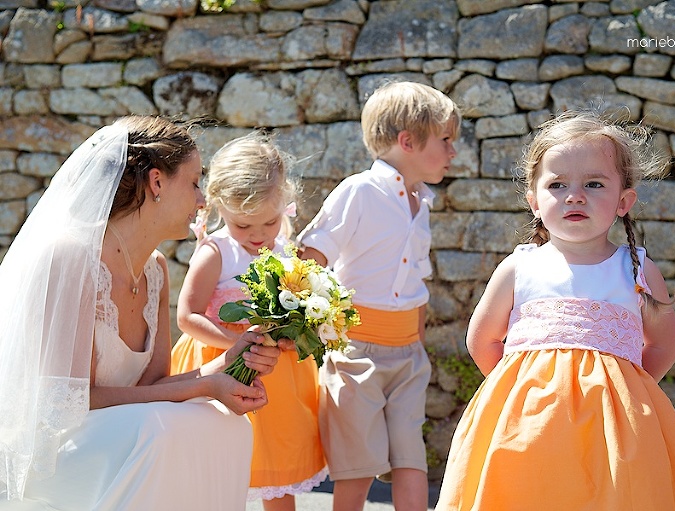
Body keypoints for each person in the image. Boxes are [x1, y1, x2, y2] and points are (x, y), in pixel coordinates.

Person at [435, 110, 675, 510]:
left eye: (594, 184)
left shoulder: (637, 270)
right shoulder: (519, 267)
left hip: (613, 435)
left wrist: (627, 387)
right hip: (527, 427)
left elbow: (663, 346)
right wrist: (516, 388)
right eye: (558, 184)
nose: (575, 195)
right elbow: (482, 340)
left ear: (624, 201)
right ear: (534, 200)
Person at [0, 116, 284, 510]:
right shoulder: (69, 260)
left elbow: (153, 387)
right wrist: (204, 386)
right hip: (57, 452)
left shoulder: (155, 269)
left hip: (123, 435)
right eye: (195, 182)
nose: (203, 200)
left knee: (228, 426)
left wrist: (228, 362)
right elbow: (63, 403)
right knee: (156, 430)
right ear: (156, 183)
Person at [297, 81, 461, 511]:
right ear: (407, 141)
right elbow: (310, 258)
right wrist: (321, 325)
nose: (453, 152)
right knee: (357, 469)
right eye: (445, 140)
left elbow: (416, 284)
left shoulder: (420, 203)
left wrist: (418, 345)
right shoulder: (358, 192)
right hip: (356, 352)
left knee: (410, 463)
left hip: (408, 354)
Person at [171, 133, 327, 510]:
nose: (258, 236)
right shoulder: (216, 253)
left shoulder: (284, 250)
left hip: (279, 378)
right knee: (220, 468)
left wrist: (295, 334)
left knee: (275, 475)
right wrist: (234, 343)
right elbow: (187, 315)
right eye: (244, 226)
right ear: (219, 207)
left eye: (269, 222)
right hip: (223, 365)